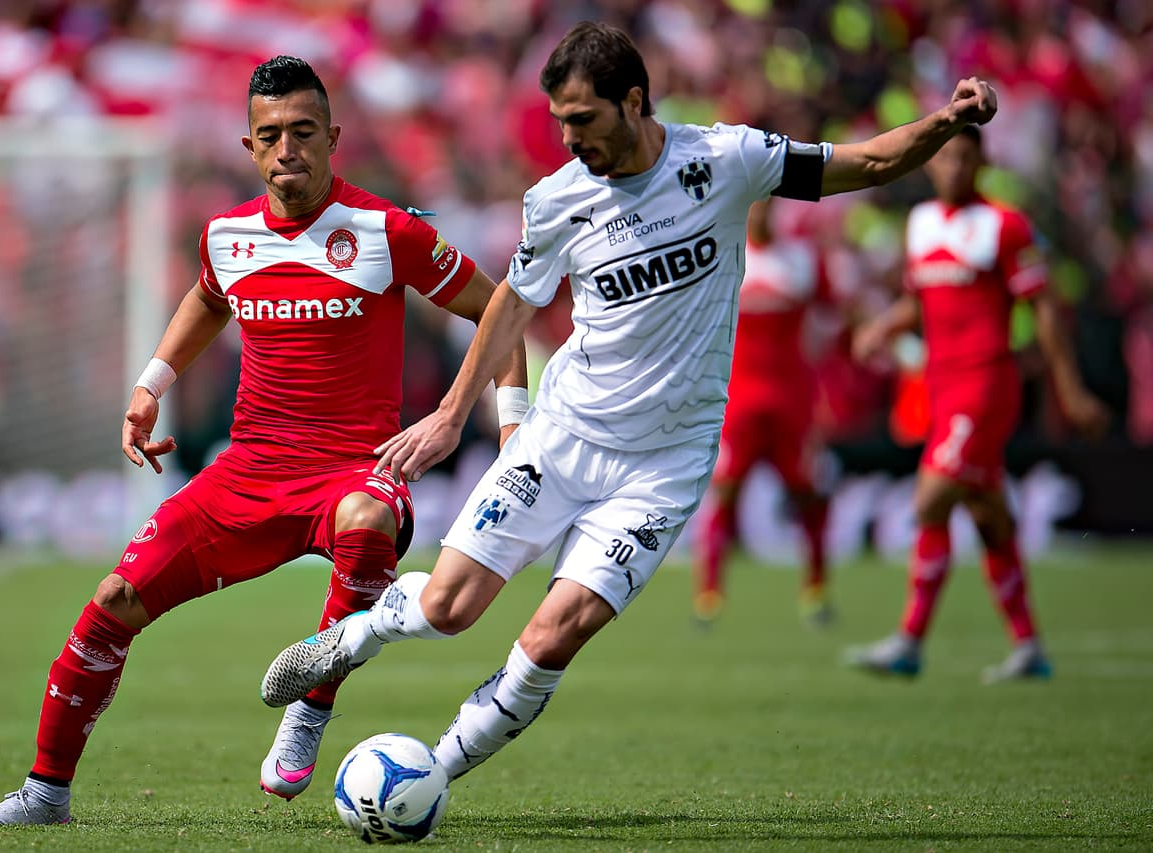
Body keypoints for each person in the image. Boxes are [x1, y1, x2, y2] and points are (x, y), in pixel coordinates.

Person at [260, 21, 1001, 783]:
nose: (570, 140)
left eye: (583, 120)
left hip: (665, 462)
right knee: (448, 608)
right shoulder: (555, 200)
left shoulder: (725, 160)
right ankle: (354, 638)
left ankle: (431, 777)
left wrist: (945, 122)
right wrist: (453, 415)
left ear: (635, 101)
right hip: (565, 433)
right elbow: (513, 300)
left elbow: (868, 161)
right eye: (559, 125)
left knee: (554, 636)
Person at [0, 55, 526, 826]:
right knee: (113, 599)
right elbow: (206, 298)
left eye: (302, 132)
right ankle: (44, 793)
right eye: (270, 135)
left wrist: (511, 427)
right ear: (249, 146)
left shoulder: (384, 231)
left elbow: (502, 310)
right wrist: (151, 384)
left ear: (333, 138)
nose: (286, 148)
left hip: (354, 469)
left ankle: (312, 703)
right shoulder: (228, 236)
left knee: (368, 522)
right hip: (249, 471)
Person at [845, 125, 1108, 683]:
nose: (955, 169)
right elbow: (921, 301)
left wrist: (1071, 389)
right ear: (929, 166)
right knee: (989, 517)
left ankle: (910, 642)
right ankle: (1029, 646)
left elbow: (1043, 312)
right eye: (945, 160)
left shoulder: (1005, 226)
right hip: (941, 387)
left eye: (966, 159)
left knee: (931, 498)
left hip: (986, 385)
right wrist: (882, 327)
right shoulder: (920, 226)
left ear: (982, 161)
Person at [692, 196, 833, 628]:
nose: (763, 213)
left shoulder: (803, 260)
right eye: (755, 205)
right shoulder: (725, 259)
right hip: (741, 399)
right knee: (727, 491)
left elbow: (833, 317)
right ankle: (709, 595)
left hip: (794, 399)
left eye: (769, 204)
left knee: (808, 492)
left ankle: (816, 590)